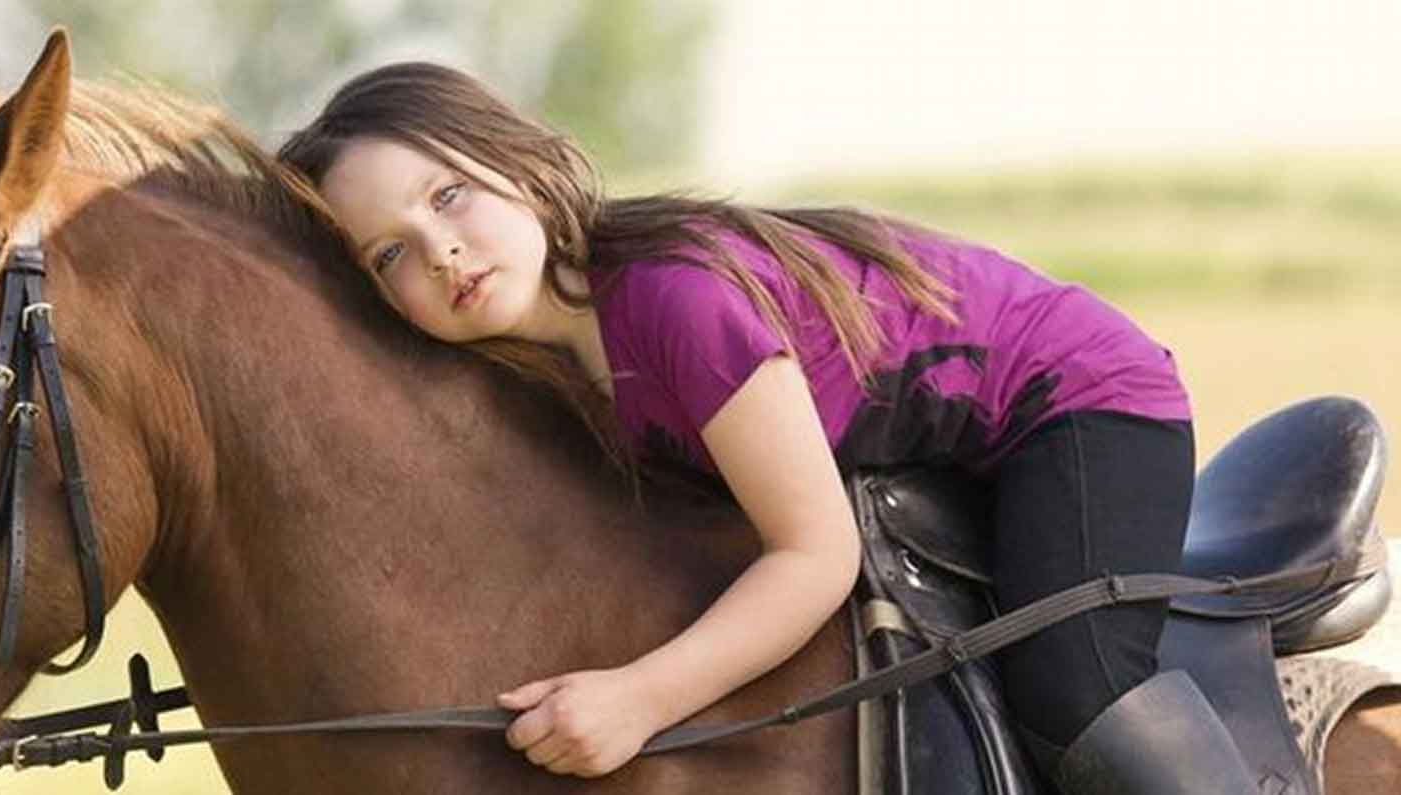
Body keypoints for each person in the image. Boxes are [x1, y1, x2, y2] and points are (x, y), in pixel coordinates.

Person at [276, 62, 1252, 794]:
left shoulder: (673, 302)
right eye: (388, 254)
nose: (440, 251)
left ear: (515, 165)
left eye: (448, 196)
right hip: (937, 440)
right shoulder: (544, 371)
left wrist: (639, 698)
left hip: (1075, 398)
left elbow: (815, 553)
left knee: (1073, 686)